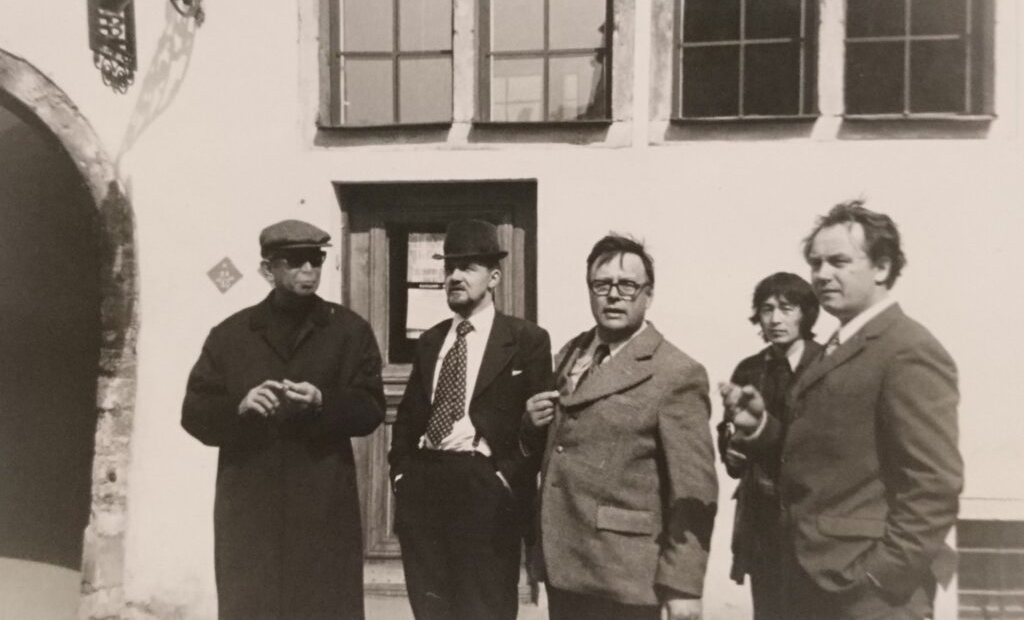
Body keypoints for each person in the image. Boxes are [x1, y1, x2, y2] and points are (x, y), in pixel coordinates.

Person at [724, 201, 962, 619]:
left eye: (838, 261)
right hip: (810, 584)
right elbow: (821, 457)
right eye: (815, 262)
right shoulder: (837, 346)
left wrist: (879, 577)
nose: (821, 274)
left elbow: (934, 484)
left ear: (882, 268)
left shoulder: (907, 350)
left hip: (868, 598)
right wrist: (760, 427)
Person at [181, 219, 385, 620]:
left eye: (316, 260)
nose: (309, 270)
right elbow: (194, 413)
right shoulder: (231, 334)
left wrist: (323, 402)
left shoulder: (348, 331)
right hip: (250, 508)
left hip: (323, 505)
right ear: (267, 269)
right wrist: (238, 408)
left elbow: (371, 408)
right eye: (295, 262)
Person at [525, 234, 717, 620]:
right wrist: (531, 424)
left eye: (627, 285)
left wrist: (683, 586)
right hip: (564, 567)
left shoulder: (676, 373)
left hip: (624, 578)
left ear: (648, 294)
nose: (613, 295)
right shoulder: (570, 353)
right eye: (602, 285)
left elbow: (694, 490)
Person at [389, 219, 553, 620]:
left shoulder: (526, 340)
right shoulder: (431, 341)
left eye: (469, 268)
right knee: (432, 608)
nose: (455, 277)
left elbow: (540, 425)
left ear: (493, 277)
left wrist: (503, 479)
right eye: (449, 269)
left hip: (485, 488)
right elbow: (408, 419)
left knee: (486, 608)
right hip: (425, 486)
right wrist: (401, 476)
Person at [718, 272, 822, 619]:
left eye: (787, 308)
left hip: (813, 517)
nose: (776, 319)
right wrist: (730, 447)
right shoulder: (749, 370)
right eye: (767, 309)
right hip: (762, 520)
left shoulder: (826, 364)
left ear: (806, 314)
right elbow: (728, 429)